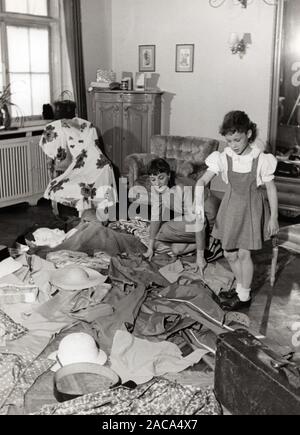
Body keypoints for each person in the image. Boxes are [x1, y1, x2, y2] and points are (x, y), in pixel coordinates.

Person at [195, 110, 279, 311]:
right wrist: (199, 193)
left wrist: (274, 217)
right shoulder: (223, 157)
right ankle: (242, 287)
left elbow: (271, 188)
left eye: (237, 140)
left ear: (248, 134)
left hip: (251, 208)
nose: (233, 145)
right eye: (229, 141)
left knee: (243, 254)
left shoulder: (261, 159)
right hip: (231, 207)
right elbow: (203, 179)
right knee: (228, 253)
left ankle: (243, 295)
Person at [143, 158, 209, 275]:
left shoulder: (181, 187)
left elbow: (198, 221)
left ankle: (204, 244)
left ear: (168, 175)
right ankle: (207, 242)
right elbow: (155, 218)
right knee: (175, 249)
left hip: (205, 219)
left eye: (161, 178)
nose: (157, 183)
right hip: (191, 221)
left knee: (165, 229)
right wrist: (150, 248)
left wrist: (200, 257)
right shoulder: (156, 189)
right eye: (153, 179)